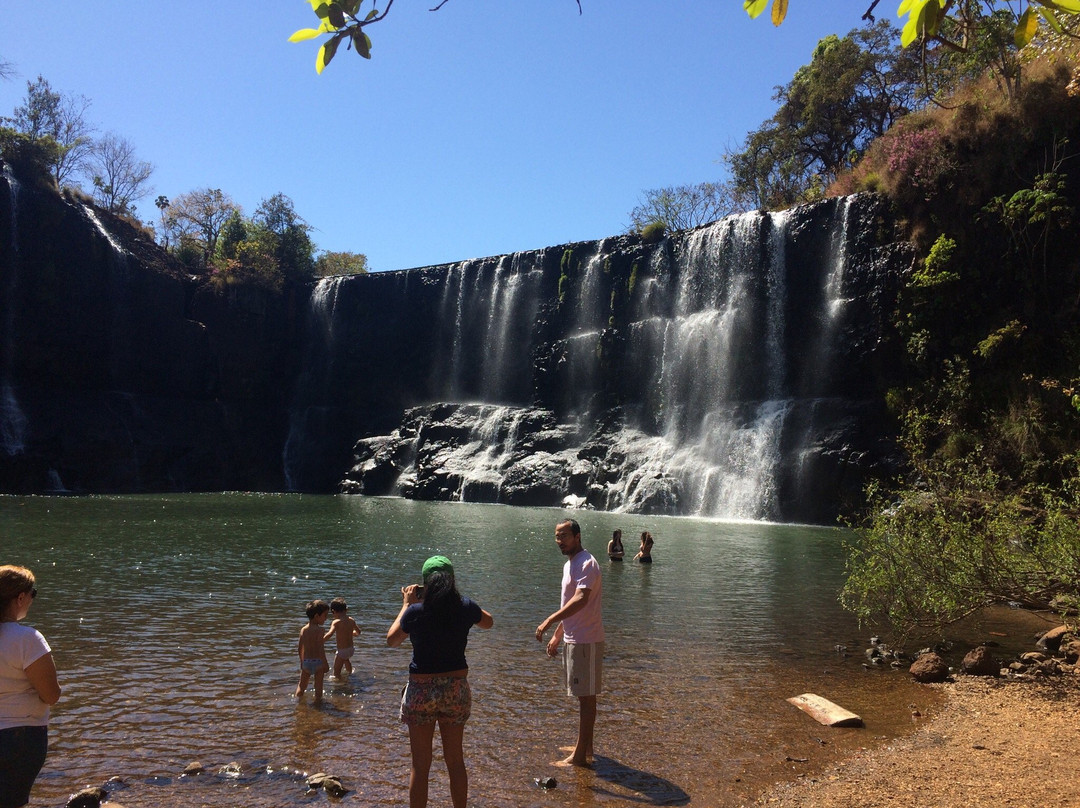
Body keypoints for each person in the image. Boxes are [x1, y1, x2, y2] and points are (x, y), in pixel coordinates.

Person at [387, 555, 493, 808]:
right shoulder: (464, 607)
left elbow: (392, 640)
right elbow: (488, 622)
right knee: (455, 761)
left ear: (426, 584)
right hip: (456, 690)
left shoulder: (415, 611)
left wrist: (406, 603)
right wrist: (462, 603)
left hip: (421, 691)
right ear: (452, 581)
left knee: (420, 766)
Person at [535, 519, 604, 767]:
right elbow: (569, 605)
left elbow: (581, 599)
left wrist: (550, 621)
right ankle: (586, 748)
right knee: (583, 696)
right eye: (556, 536)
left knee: (586, 698)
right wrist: (558, 635)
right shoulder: (570, 564)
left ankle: (579, 756)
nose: (559, 541)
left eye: (564, 536)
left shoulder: (586, 563)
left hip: (586, 639)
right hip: (574, 637)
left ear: (577, 536)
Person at [0, 565, 61, 808]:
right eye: (32, 593)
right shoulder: (27, 639)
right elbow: (51, 695)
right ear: (21, 597)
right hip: (21, 737)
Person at [294, 600, 330, 700]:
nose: (326, 618)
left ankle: (298, 703)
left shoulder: (303, 630)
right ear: (316, 616)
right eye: (325, 615)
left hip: (306, 662)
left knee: (301, 686)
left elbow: (300, 647)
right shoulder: (320, 630)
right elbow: (320, 648)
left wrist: (301, 662)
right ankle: (318, 706)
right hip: (318, 663)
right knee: (318, 689)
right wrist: (325, 663)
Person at [323, 597, 361, 678]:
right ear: (346, 610)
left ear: (333, 611)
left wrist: (320, 641)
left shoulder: (336, 622)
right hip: (351, 650)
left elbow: (330, 634)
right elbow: (358, 632)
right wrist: (351, 634)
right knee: (346, 659)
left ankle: (338, 682)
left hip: (342, 651)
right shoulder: (351, 620)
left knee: (336, 672)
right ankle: (350, 673)